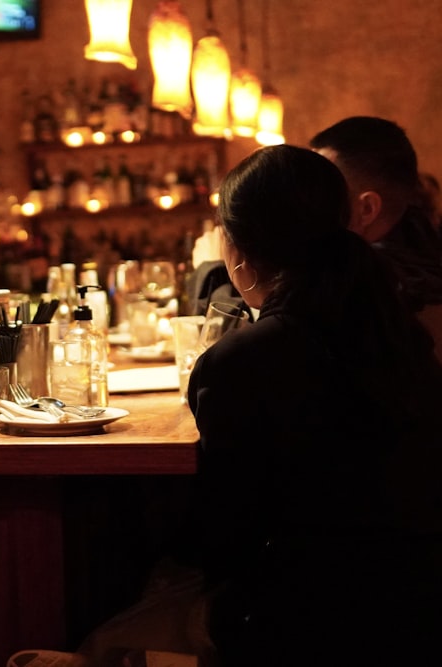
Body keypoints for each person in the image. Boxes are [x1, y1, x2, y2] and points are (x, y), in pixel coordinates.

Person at [23, 145, 442, 667]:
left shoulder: (243, 361)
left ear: (236, 248)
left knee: (101, 640)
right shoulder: (402, 333)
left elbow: (225, 536)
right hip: (421, 600)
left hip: (308, 616)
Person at [309, 115, 442, 361]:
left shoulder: (365, 290)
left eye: (322, 187)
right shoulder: (424, 247)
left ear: (367, 208)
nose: (307, 200)